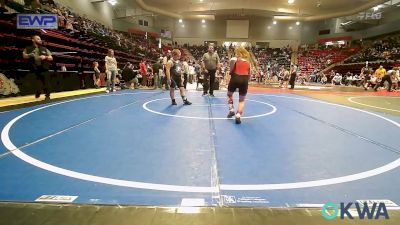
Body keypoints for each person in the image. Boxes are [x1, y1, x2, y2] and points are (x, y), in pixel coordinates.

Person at [23, 35, 53, 101]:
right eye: (38, 39)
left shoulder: (45, 49)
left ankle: (47, 96)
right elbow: (24, 56)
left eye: (40, 39)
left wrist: (45, 57)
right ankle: (38, 92)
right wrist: (30, 55)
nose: (40, 40)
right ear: (33, 40)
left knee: (46, 83)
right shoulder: (28, 48)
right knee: (37, 83)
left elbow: (51, 57)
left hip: (44, 68)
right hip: (34, 69)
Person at [226, 46, 251, 124]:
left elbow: (231, 70)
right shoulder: (248, 62)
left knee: (229, 94)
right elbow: (249, 75)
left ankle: (231, 110)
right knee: (241, 100)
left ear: (238, 53)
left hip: (235, 78)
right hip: (244, 79)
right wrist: (246, 82)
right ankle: (238, 115)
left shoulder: (233, 59)